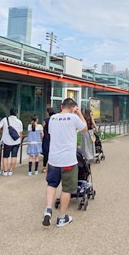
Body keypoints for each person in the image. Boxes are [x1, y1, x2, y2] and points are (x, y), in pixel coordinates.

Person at [42, 97, 88, 228]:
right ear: (73, 108)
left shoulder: (53, 118)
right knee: (67, 189)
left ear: (61, 107)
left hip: (53, 159)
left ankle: (48, 209)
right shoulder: (73, 118)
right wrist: (79, 114)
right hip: (68, 160)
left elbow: (51, 133)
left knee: (52, 184)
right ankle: (62, 217)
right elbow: (85, 129)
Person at [0, 109, 23, 176]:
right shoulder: (19, 121)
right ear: (16, 114)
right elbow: (20, 133)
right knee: (14, 156)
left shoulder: (5, 119)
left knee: (5, 156)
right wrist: (20, 141)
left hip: (7, 141)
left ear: (10, 113)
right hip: (16, 141)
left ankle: (5, 171)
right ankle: (11, 171)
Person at [41, 108, 55, 174]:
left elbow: (42, 128)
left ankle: (44, 167)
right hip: (54, 138)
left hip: (46, 138)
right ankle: (52, 167)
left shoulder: (46, 120)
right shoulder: (55, 120)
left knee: (46, 153)